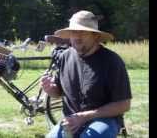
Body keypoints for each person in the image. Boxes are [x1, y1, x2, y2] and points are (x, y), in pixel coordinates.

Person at [41, 10, 132, 138]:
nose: (77, 37)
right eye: (73, 32)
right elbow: (58, 92)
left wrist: (85, 116)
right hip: (71, 121)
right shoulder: (64, 57)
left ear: (95, 36)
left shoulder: (112, 61)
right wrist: (50, 89)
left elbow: (124, 104)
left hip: (104, 120)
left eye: (82, 32)